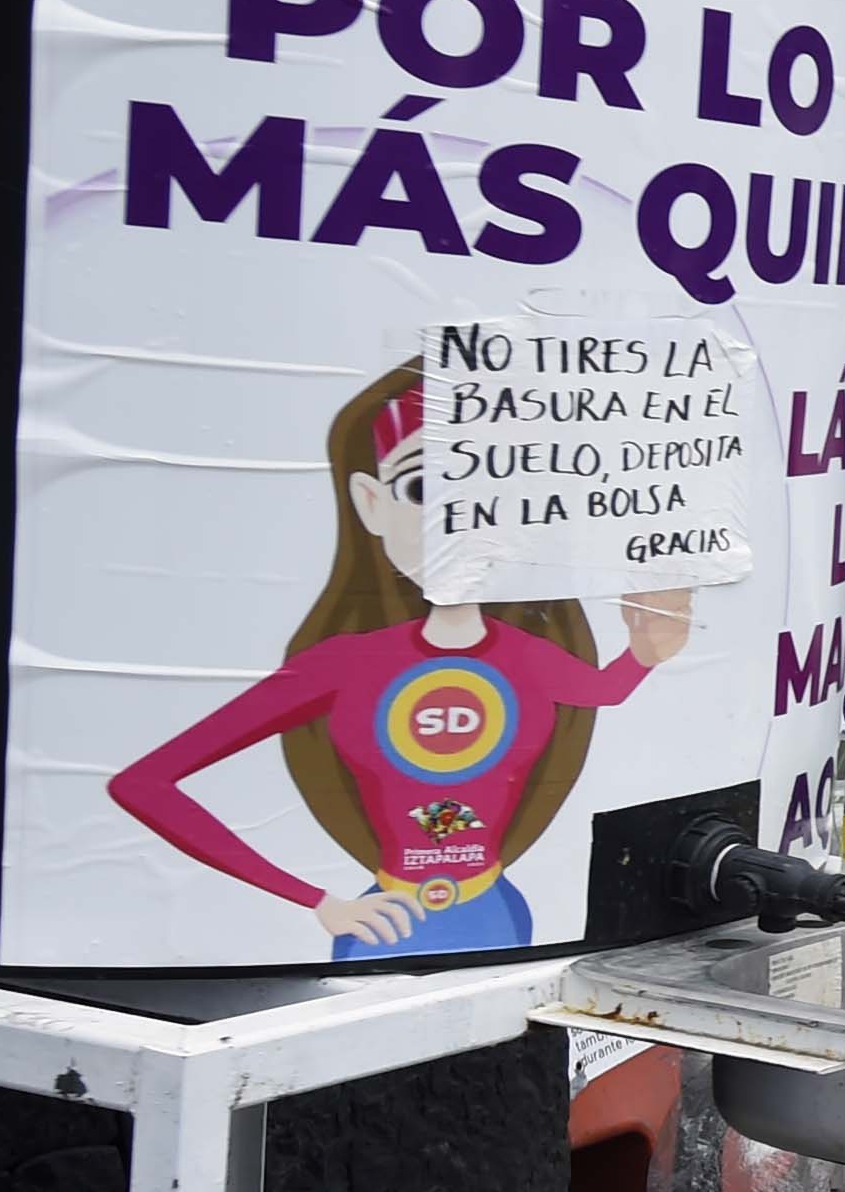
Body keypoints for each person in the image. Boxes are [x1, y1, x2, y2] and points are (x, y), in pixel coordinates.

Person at [107, 363, 696, 957]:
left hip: (499, 914)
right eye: (423, 489)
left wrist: (647, 649)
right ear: (370, 502)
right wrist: (318, 902)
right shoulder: (345, 663)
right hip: (385, 931)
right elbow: (145, 783)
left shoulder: (525, 654)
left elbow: (607, 690)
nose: (460, 522)